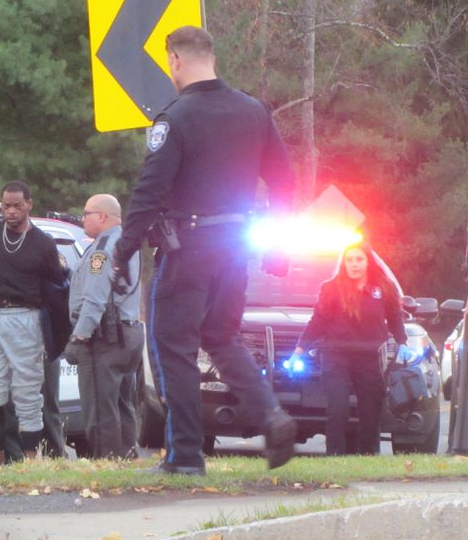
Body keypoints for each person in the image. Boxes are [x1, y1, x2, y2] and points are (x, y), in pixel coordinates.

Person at [111, 26, 298, 475]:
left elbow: (148, 193)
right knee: (221, 337)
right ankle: (271, 416)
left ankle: (186, 455)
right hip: (234, 250)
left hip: (188, 248)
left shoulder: (176, 118)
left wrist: (122, 251)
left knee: (173, 346)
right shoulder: (255, 111)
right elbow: (286, 181)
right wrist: (279, 246)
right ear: (210, 56)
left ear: (175, 59)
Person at [0, 181, 65, 465]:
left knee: (27, 394)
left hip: (23, 317)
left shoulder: (43, 243)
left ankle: (29, 462)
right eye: (5, 205)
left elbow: (56, 284)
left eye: (16, 205)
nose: (11, 211)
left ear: (29, 204)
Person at [291, 242, 409, 455]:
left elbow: (394, 317)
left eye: (359, 259)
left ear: (368, 262)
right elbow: (318, 321)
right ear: (343, 263)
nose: (354, 264)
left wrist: (402, 342)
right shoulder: (331, 288)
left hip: (371, 356)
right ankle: (334, 456)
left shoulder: (383, 287)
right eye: (349, 260)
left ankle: (369, 456)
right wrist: (299, 349)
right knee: (338, 407)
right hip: (337, 355)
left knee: (370, 410)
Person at [64, 194, 145, 459]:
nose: (82, 218)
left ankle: (105, 462)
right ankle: (127, 456)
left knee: (99, 405)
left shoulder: (103, 248)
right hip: (128, 331)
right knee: (122, 403)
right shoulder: (126, 243)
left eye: (86, 213)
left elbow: (96, 297)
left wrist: (80, 334)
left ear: (102, 216)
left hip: (105, 337)